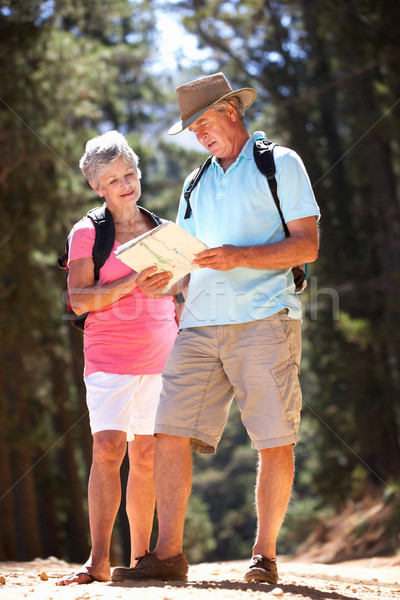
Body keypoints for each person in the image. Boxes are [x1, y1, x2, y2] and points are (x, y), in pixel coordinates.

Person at [112, 72, 320, 585]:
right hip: (200, 324)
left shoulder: (281, 164)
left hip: (265, 319)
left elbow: (307, 245)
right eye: (192, 127)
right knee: (168, 430)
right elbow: (190, 257)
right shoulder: (195, 182)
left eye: (203, 121)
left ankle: (264, 556)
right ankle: (168, 555)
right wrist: (168, 281)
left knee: (274, 439)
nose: (199, 134)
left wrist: (239, 257)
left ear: (231, 111)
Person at [57, 131, 178, 585]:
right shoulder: (87, 231)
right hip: (109, 358)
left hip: (162, 357)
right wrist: (130, 283)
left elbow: (180, 289)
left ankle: (142, 558)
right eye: (113, 179)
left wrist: (172, 285)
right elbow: (80, 299)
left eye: (129, 174)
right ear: (97, 188)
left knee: (146, 455)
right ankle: (98, 560)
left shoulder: (163, 231)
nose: (125, 184)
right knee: (108, 449)